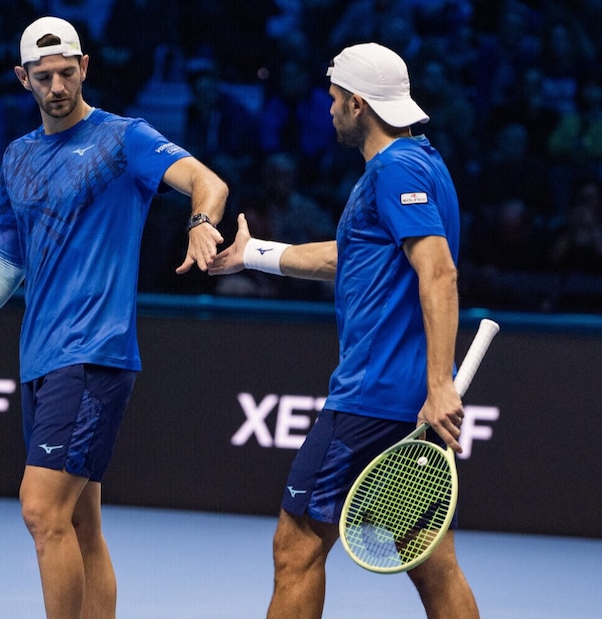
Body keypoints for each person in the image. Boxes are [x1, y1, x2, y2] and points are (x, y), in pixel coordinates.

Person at [0, 17, 228, 619]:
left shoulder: (124, 139)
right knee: (81, 525)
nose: (58, 86)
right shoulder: (17, 157)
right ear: (23, 79)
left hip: (93, 353)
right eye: (44, 77)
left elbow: (205, 181)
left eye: (67, 72)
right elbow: (8, 261)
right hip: (40, 356)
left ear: (84, 66)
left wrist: (200, 222)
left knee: (41, 509)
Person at [209, 42, 478, 619]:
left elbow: (439, 272)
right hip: (405, 401)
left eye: (334, 99)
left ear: (358, 104)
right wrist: (253, 253)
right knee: (434, 566)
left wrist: (440, 385)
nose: (328, 110)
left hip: (371, 399)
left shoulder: (395, 170)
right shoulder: (422, 162)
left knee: (296, 550)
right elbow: (350, 257)